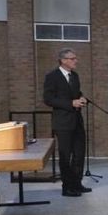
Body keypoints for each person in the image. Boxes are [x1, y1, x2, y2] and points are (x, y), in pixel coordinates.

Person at [43, 48, 89, 197]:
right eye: (72, 58)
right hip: (63, 123)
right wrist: (71, 103)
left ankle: (77, 183)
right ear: (63, 60)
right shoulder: (52, 77)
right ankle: (67, 187)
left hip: (77, 121)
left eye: (75, 58)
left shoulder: (75, 76)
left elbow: (77, 93)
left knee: (79, 154)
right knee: (65, 155)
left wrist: (81, 99)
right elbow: (48, 99)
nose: (76, 60)